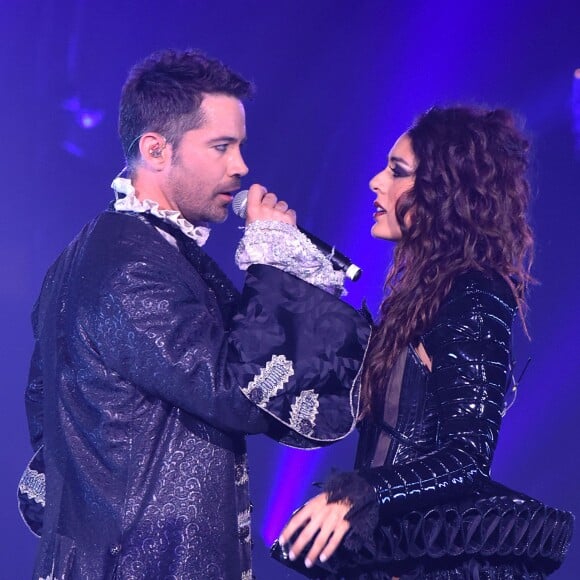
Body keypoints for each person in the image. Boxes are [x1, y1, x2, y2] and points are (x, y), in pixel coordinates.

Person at [17, 49, 371, 579]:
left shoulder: (146, 250)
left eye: (240, 147)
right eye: (221, 146)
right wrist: (275, 262)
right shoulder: (128, 262)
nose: (241, 167)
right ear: (156, 149)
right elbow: (239, 392)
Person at [276, 106, 574, 578]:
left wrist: (362, 493)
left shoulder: (473, 295)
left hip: (429, 558)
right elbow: (322, 402)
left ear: (445, 191)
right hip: (391, 554)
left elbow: (467, 456)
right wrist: (282, 268)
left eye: (397, 172)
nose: (377, 181)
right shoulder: (419, 297)